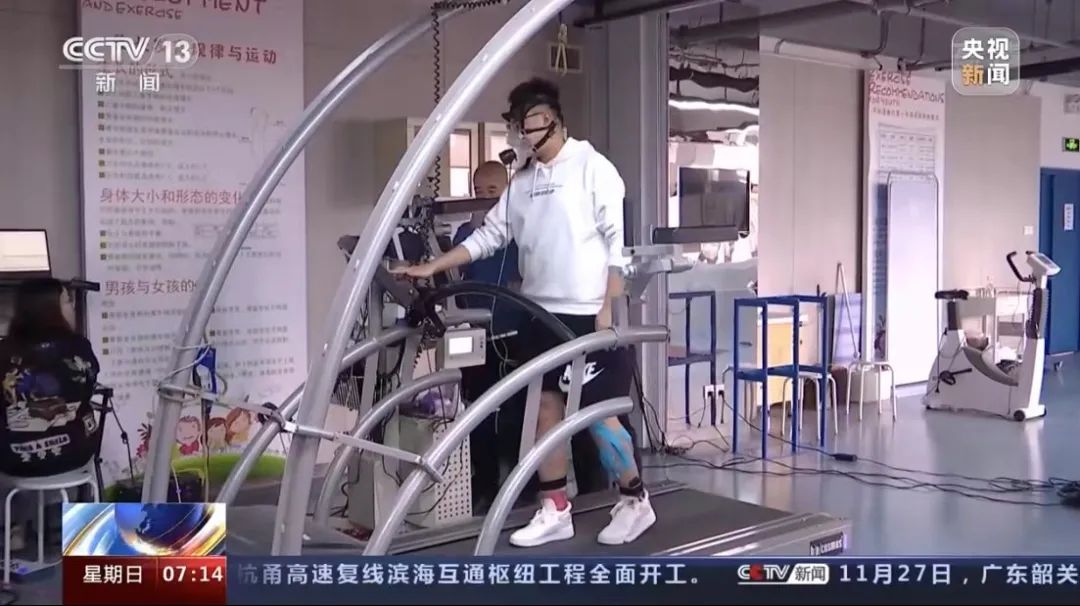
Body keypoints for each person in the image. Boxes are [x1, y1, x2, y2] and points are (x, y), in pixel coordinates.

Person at [395, 78, 656, 547]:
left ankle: (636, 501)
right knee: (545, 412)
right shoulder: (523, 183)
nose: (520, 134)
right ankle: (555, 508)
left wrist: (608, 309)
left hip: (586, 316)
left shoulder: (593, 167)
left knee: (599, 416)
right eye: (515, 125)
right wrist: (434, 265)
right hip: (539, 314)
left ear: (551, 121)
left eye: (526, 124)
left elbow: (617, 247)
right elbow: (489, 236)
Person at [451, 161, 527, 515]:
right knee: (476, 412)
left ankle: (520, 484)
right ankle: (483, 484)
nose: (483, 198)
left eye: (492, 192)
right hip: (477, 334)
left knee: (516, 412)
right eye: (478, 192)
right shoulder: (465, 235)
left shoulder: (519, 232)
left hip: (514, 334)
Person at [0, 278, 100, 478]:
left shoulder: (4, 350)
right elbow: (89, 387)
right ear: (51, 309)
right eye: (67, 301)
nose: (72, 307)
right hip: (75, 452)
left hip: (13, 458)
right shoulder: (79, 347)